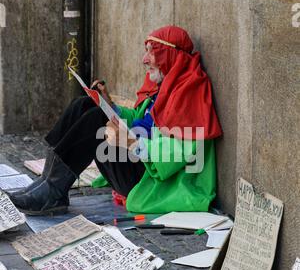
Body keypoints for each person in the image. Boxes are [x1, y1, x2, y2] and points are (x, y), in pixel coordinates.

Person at [9, 26, 222, 215]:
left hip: (151, 179)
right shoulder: (164, 90)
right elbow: (142, 121)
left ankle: (53, 191)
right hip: (137, 160)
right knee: (84, 105)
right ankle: (48, 181)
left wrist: (131, 142)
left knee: (95, 120)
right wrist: (108, 105)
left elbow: (175, 154)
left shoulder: (190, 97)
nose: (144, 59)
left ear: (170, 56)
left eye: (152, 52)